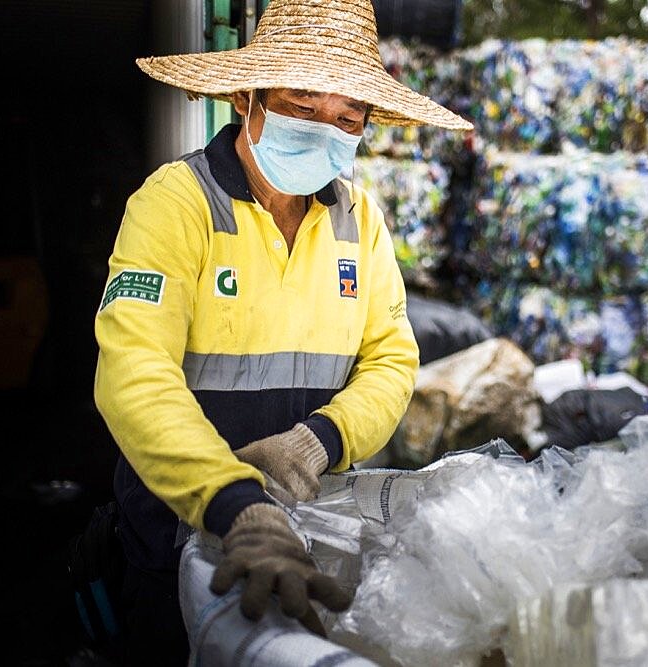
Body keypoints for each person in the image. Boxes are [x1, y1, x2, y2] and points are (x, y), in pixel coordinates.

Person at [93, 0, 472, 662]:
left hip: (316, 543)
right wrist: (236, 503)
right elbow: (133, 373)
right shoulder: (176, 204)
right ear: (248, 95)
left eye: (346, 115)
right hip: (179, 543)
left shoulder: (362, 222)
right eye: (301, 100)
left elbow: (389, 362)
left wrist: (314, 444)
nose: (325, 125)